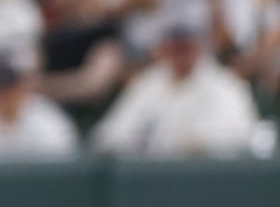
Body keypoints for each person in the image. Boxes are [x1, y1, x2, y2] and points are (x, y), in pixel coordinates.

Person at [92, 22, 262, 158]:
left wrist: (188, 142)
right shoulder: (148, 83)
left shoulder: (224, 85)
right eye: (174, 47)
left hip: (206, 182)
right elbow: (109, 135)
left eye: (185, 47)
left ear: (200, 47)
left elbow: (241, 134)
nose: (179, 54)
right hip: (150, 181)